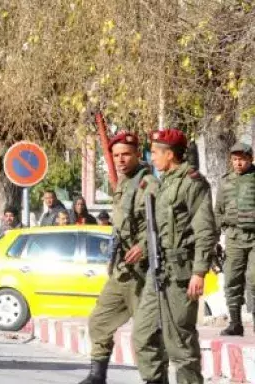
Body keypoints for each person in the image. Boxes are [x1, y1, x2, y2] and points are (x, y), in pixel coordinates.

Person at [133, 128, 217, 384]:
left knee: (180, 342)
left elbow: (205, 230)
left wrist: (199, 272)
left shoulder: (193, 183)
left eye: (155, 152)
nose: (152, 157)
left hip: (181, 273)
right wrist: (142, 246)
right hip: (157, 270)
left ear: (170, 154)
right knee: (143, 335)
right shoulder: (162, 183)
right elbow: (158, 227)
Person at [78, 131, 159, 384]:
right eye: (116, 156)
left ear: (137, 154)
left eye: (126, 154)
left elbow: (161, 224)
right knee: (99, 320)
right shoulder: (123, 184)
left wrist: (144, 246)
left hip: (143, 272)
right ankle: (97, 375)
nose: (121, 160)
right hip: (122, 269)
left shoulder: (149, 184)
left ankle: (155, 379)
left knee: (146, 334)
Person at [214, 142, 255, 336]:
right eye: (235, 159)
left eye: (242, 159)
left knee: (253, 279)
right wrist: (214, 240)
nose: (238, 163)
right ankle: (235, 323)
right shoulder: (225, 182)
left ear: (250, 159)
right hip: (233, 237)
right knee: (231, 279)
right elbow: (218, 212)